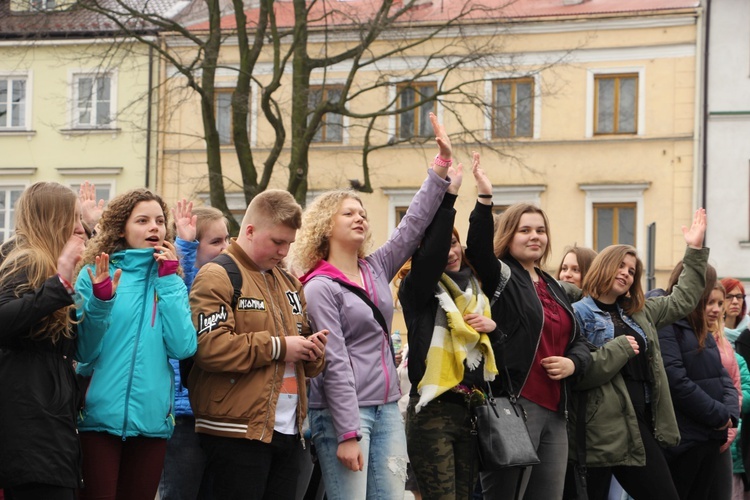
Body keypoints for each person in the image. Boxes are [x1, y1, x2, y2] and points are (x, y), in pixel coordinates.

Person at [289, 112, 452, 500]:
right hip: (346, 415)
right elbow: (334, 363)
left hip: (386, 408)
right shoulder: (319, 287)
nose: (360, 217)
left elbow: (413, 225)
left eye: (362, 213)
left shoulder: (375, 266)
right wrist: (347, 433)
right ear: (326, 226)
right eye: (349, 213)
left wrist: (440, 167)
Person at [188, 189, 328, 500]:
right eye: (277, 241)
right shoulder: (217, 274)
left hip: (289, 431)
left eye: (289, 243)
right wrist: (281, 347)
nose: (284, 251)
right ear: (249, 231)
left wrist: (314, 351)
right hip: (235, 431)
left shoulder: (290, 283)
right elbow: (209, 347)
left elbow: (304, 352)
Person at [465, 156, 592, 499]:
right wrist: (485, 197)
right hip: (515, 403)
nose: (535, 236)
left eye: (540, 230)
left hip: (555, 410)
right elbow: (476, 248)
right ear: (509, 235)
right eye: (525, 230)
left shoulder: (553, 285)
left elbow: (578, 340)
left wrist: (573, 363)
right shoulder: (502, 274)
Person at [570, 208, 708, 500]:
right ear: (604, 265)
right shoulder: (578, 314)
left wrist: (694, 250)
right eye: (621, 266)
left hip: (638, 420)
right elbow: (580, 373)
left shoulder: (639, 311)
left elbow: (683, 299)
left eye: (632, 271)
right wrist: (618, 350)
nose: (626, 274)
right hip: (599, 428)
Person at [75, 188, 198, 500]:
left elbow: (184, 348)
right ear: (121, 228)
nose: (154, 227)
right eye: (142, 220)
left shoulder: (171, 280)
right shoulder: (92, 273)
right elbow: (83, 352)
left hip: (152, 420)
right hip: (97, 418)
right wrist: (101, 301)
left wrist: (169, 281)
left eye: (159, 220)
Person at [397, 153, 497, 499]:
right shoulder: (418, 289)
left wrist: (484, 200)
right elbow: (432, 254)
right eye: (442, 245)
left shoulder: (477, 288)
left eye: (454, 242)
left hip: (469, 410)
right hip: (432, 411)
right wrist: (448, 198)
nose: (450, 251)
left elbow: (483, 249)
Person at [0, 183, 95, 500]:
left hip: (49, 427)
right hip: (30, 432)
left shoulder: (52, 266)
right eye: (74, 220)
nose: (80, 228)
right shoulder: (26, 262)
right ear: (54, 220)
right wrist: (58, 287)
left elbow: (77, 348)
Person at [158, 201, 230, 500]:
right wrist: (184, 245)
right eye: (215, 241)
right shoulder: (179, 282)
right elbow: (181, 285)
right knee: (180, 490)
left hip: (216, 413)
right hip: (183, 416)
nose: (225, 248)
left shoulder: (227, 281)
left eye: (228, 239)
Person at [655, 263, 739, 500]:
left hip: (709, 437)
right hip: (685, 441)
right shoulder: (667, 323)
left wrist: (729, 414)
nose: (715, 308)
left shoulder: (700, 326)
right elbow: (675, 379)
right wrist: (719, 415)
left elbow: (724, 377)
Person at [709, 283, 744, 500]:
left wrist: (729, 433)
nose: (717, 308)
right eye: (710, 302)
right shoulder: (685, 337)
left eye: (719, 303)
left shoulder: (726, 345)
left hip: (726, 439)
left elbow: (737, 389)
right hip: (697, 439)